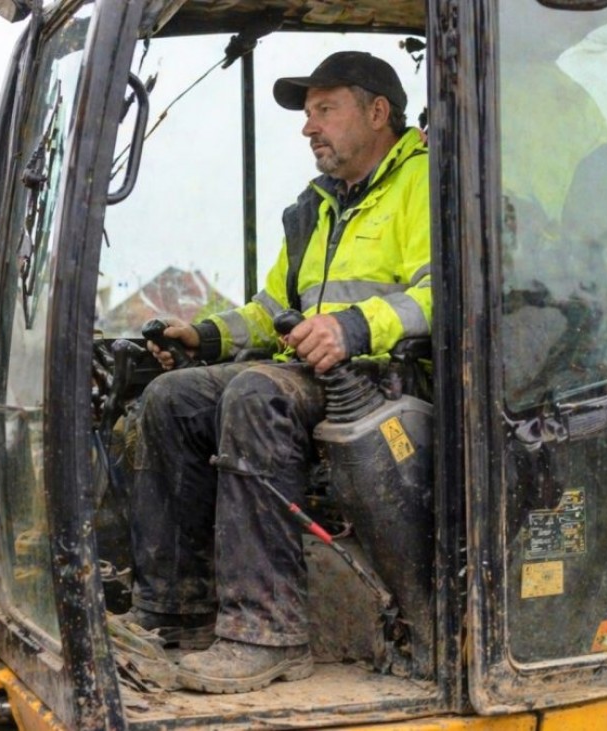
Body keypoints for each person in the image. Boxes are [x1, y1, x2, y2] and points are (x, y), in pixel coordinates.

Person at [124, 51, 431, 694]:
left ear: (378, 113)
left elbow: (445, 290)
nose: (308, 127)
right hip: (315, 372)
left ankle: (267, 634)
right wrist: (205, 334)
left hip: (391, 381)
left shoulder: (427, 183)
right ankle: (174, 611)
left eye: (325, 109)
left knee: (256, 392)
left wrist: (352, 327)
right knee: (171, 398)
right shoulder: (316, 209)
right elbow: (273, 311)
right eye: (307, 113)